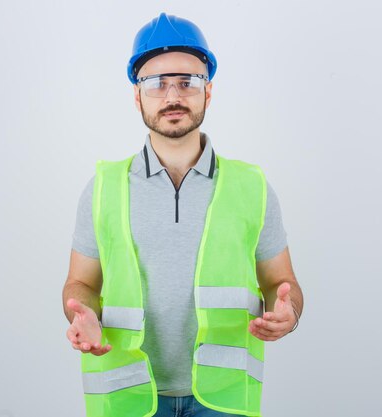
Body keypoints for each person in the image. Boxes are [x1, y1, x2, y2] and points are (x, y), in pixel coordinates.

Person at [63, 12, 303, 417]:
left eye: (187, 82)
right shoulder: (103, 188)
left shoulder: (252, 187)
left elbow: (283, 283)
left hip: (223, 397)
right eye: (156, 83)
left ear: (208, 92)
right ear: (137, 96)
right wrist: (80, 311)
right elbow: (79, 283)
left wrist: (289, 313)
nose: (172, 95)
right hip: (130, 394)